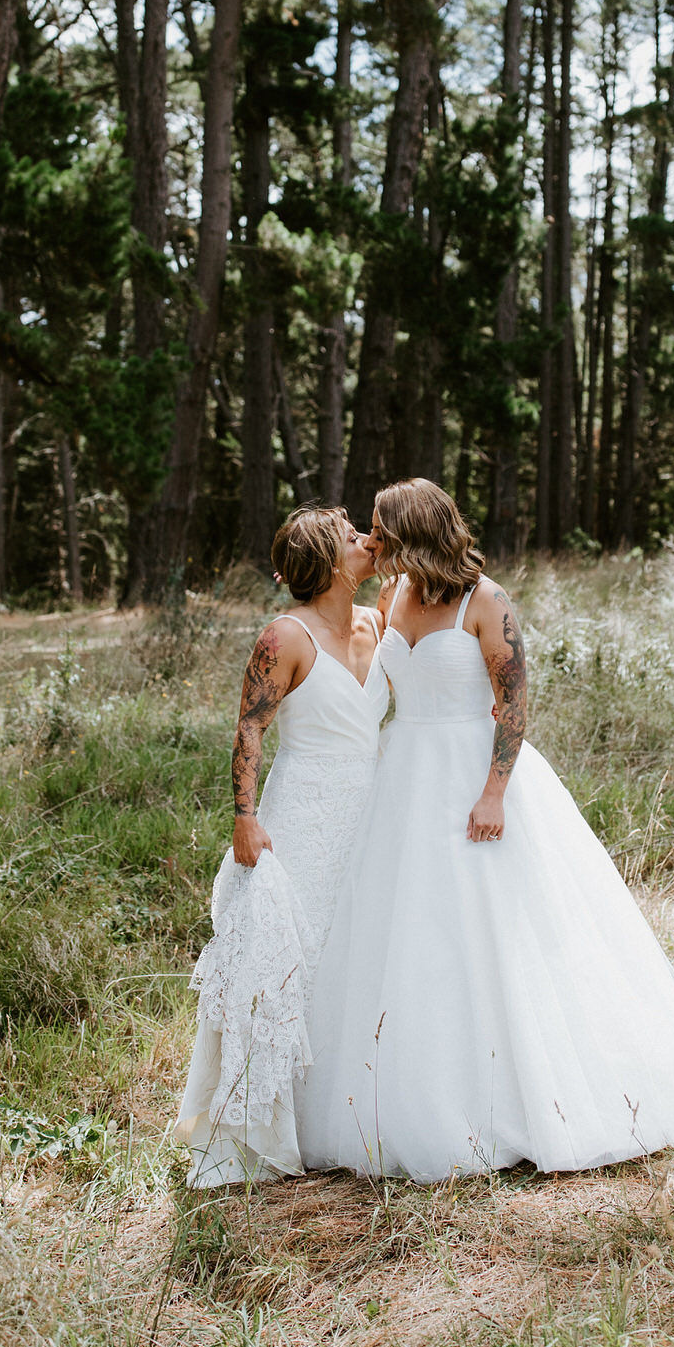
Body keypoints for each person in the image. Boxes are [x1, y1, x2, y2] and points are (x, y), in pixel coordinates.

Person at [299, 478, 674, 1182]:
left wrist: (493, 793)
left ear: (413, 529)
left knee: (507, 933)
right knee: (413, 936)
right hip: (402, 782)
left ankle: (535, 1091)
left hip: (479, 779)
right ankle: (420, 1090)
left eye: (381, 528)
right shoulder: (391, 600)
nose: (374, 541)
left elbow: (513, 704)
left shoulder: (486, 602)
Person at [174, 506, 388, 1185]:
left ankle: (353, 1105)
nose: (366, 542)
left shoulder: (376, 621)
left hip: (373, 806)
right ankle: (273, 1118)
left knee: (360, 949)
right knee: (297, 950)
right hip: (301, 813)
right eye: (353, 537)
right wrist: (244, 815)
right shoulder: (283, 636)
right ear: (327, 562)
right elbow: (249, 730)